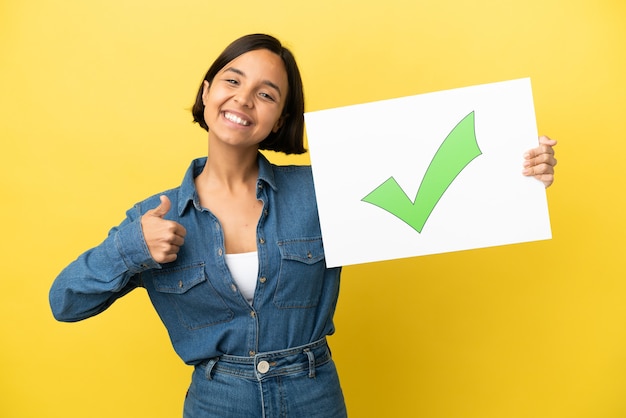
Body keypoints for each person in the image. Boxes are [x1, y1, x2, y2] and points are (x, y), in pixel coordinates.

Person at [49, 33, 558, 417]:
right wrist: (130, 249)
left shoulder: (324, 190)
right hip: (217, 401)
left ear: (280, 117)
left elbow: (432, 185)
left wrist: (519, 168)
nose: (244, 99)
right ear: (207, 93)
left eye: (266, 94)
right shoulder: (153, 218)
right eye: (232, 81)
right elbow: (64, 303)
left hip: (313, 393)